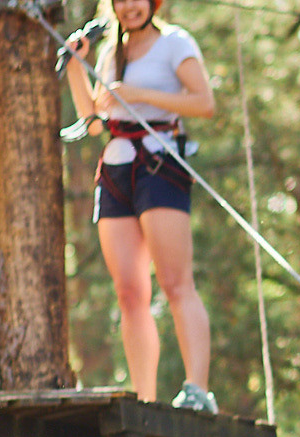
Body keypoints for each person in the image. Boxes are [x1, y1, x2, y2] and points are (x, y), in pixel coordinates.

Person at [66, 0, 218, 412]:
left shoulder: (174, 43)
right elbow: (93, 121)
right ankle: (145, 398)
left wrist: (139, 95)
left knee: (174, 282)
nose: (129, 6)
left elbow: (204, 102)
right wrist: (77, 68)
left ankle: (198, 390)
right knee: (130, 292)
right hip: (117, 167)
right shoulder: (111, 52)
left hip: (160, 161)